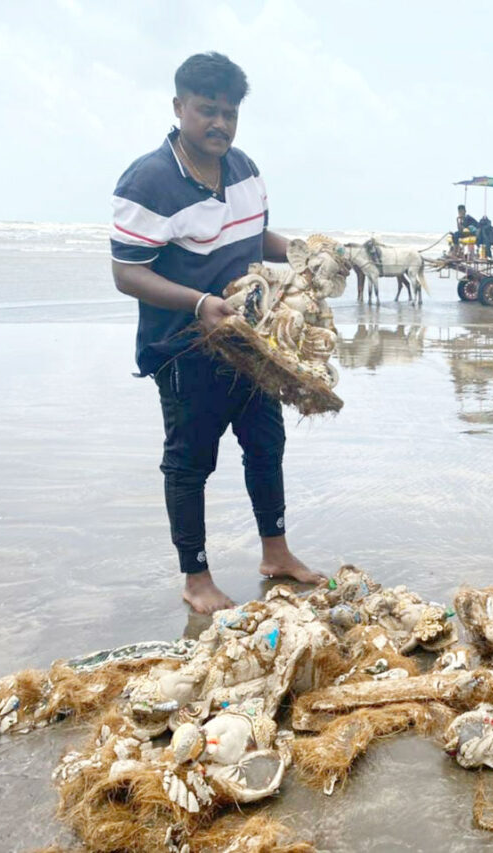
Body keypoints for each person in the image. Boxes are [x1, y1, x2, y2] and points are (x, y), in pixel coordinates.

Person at [110, 52, 323, 614]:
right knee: (190, 463)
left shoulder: (243, 167)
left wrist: (305, 253)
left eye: (230, 114)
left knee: (266, 445)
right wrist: (200, 303)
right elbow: (127, 272)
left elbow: (255, 237)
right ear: (178, 107)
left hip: (251, 341)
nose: (220, 124)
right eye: (207, 111)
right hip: (184, 346)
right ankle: (196, 577)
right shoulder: (150, 180)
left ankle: (276, 553)